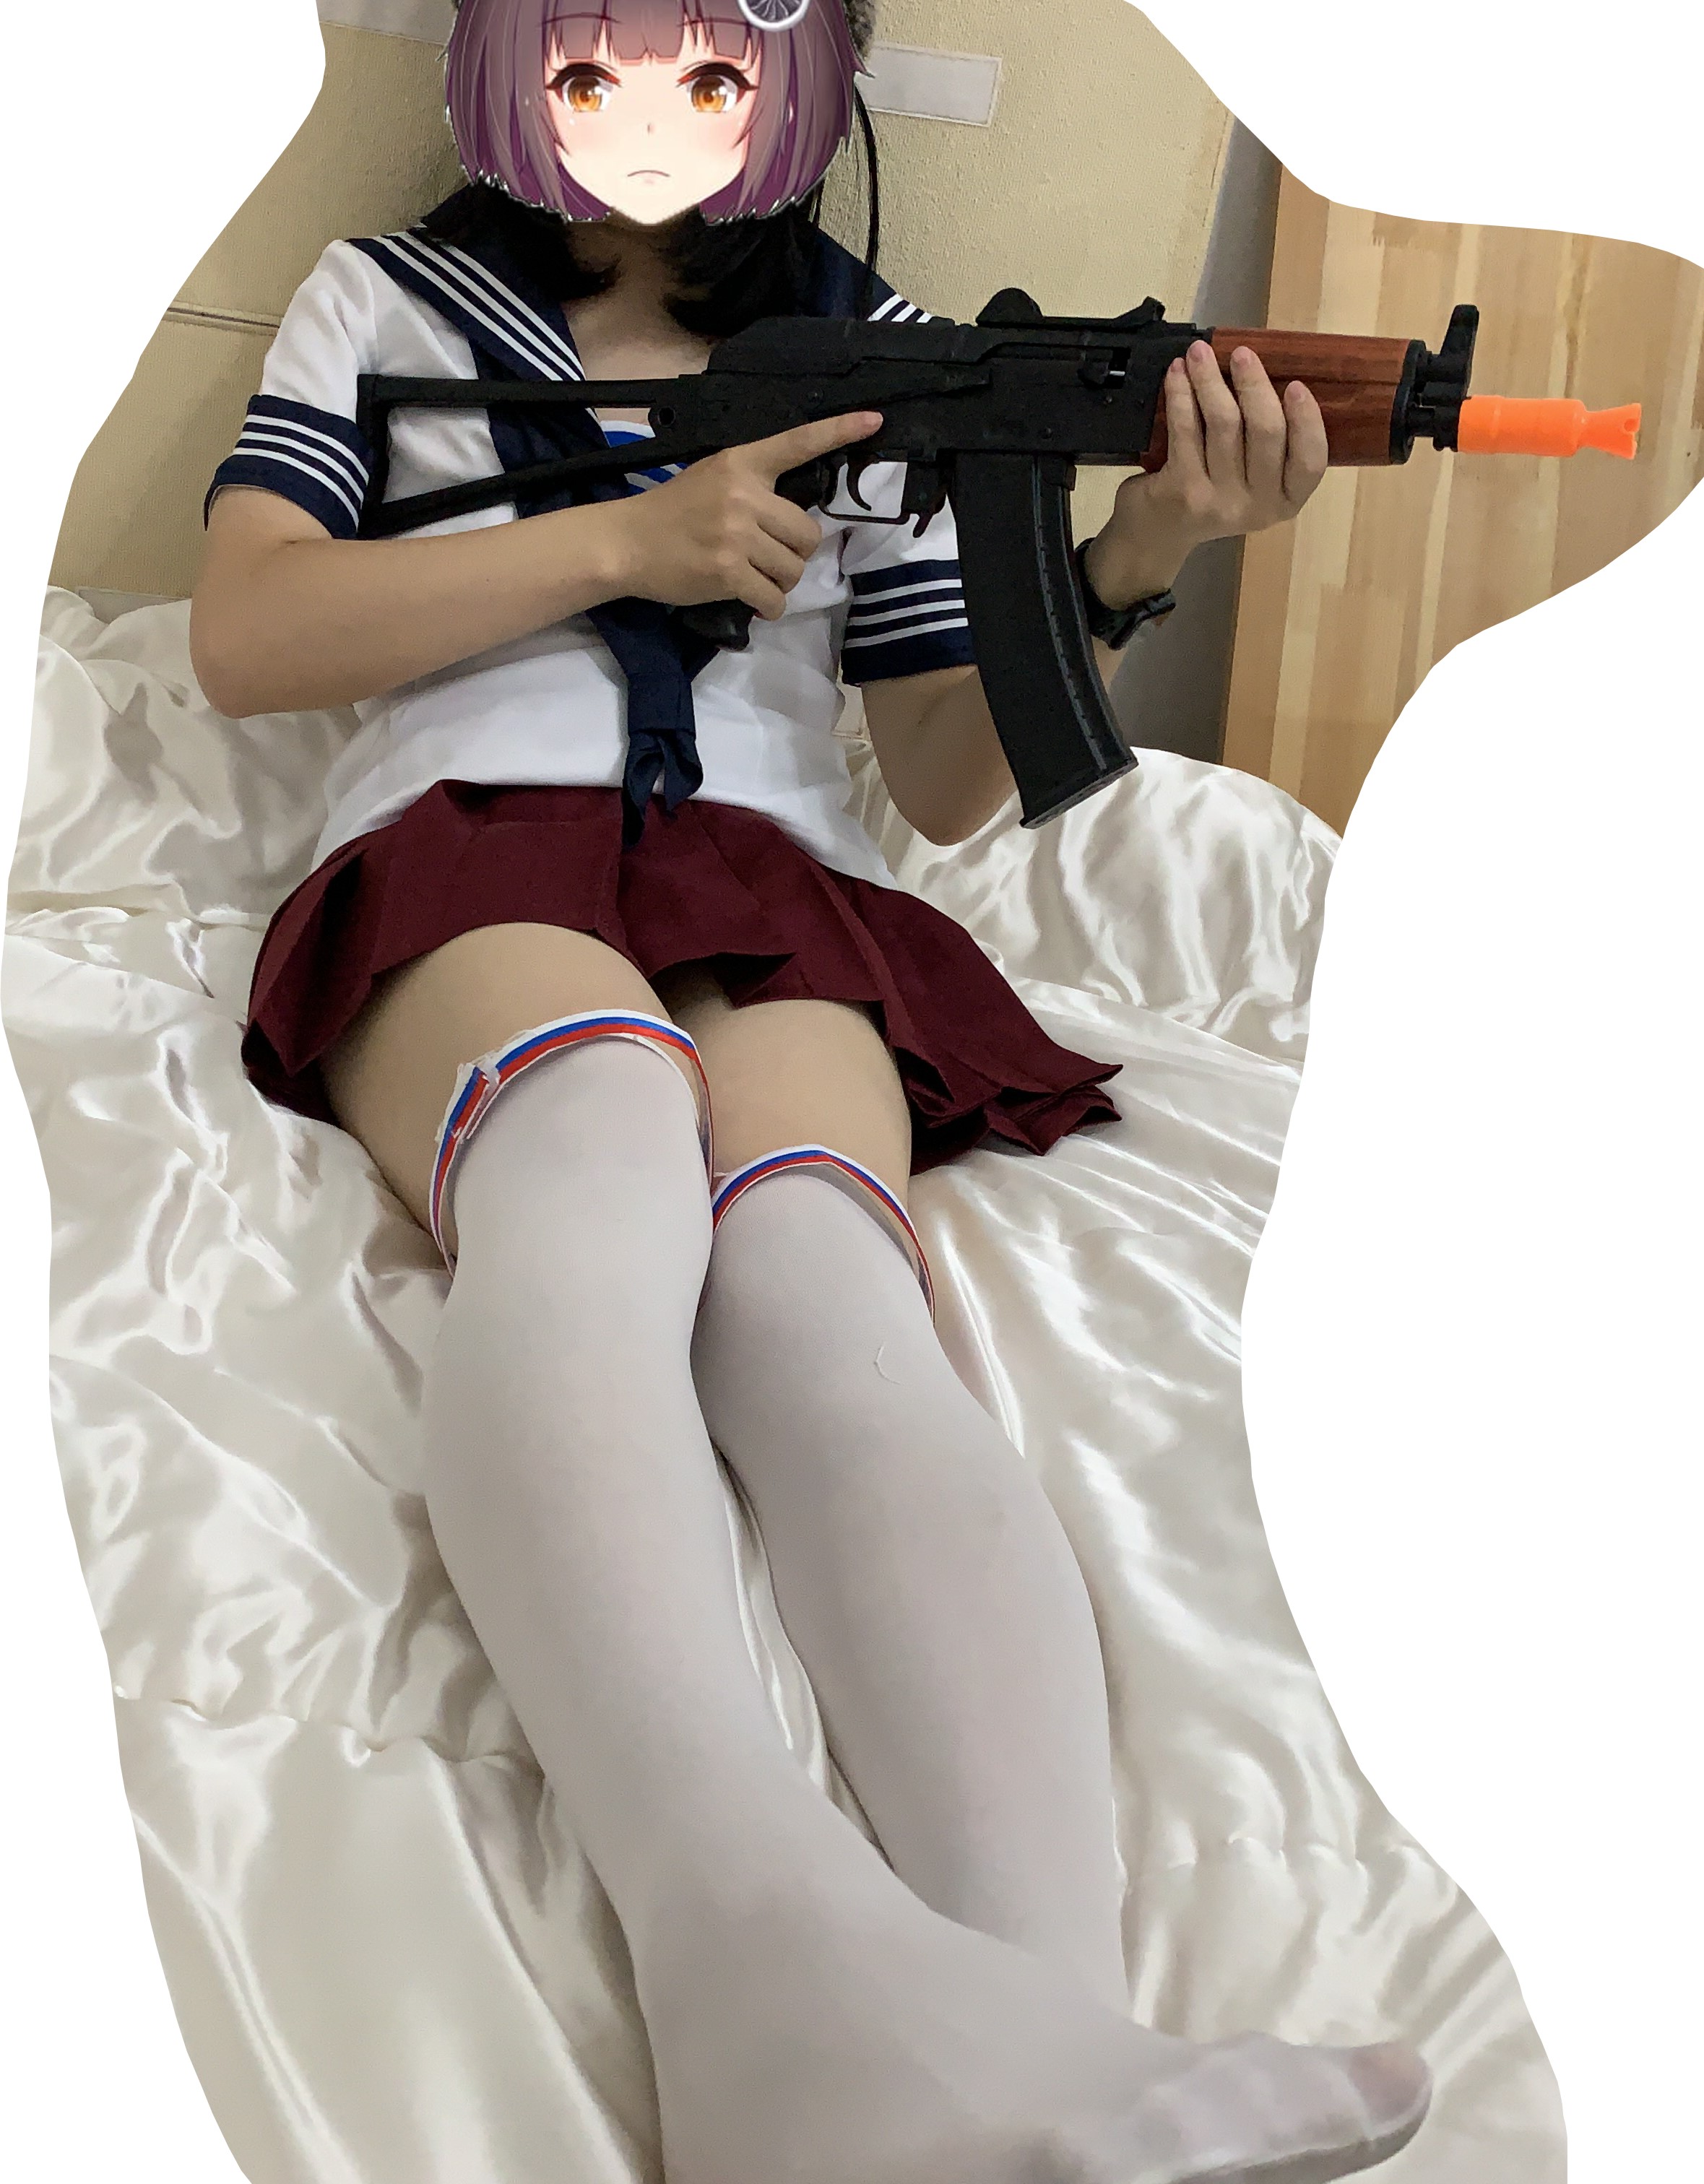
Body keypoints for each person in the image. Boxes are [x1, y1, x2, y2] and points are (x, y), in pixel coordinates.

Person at [190, 3, 1434, 2178]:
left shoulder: (889, 349)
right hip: (473, 838)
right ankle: (748, 1957)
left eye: (714, 73)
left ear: (802, 87)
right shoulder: (387, 299)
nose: (650, 124)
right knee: (594, 1148)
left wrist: (1142, 548)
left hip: (776, 871)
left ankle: (1067, 2046)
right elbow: (246, 631)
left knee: (821, 1282)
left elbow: (944, 775)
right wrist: (622, 543)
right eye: (589, 70)